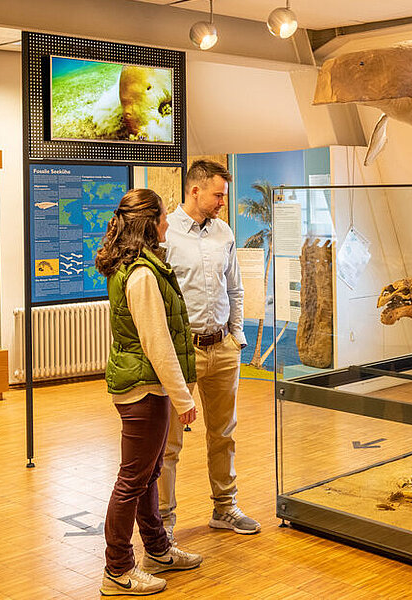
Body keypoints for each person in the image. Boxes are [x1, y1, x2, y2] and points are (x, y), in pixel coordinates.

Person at [95, 188, 204, 596]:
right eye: (162, 216)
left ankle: (157, 550)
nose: (167, 222)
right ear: (149, 222)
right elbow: (157, 342)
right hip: (143, 391)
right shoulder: (141, 274)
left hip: (147, 387)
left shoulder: (137, 266)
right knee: (132, 481)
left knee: (147, 476)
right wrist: (183, 398)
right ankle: (117, 569)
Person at [158, 159, 261, 539]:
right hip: (181, 352)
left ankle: (225, 508)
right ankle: (163, 522)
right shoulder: (166, 234)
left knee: (223, 434)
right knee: (169, 443)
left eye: (224, 196)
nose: (222, 202)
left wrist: (237, 337)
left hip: (223, 349)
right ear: (195, 190)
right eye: (218, 195)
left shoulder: (224, 233)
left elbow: (234, 288)